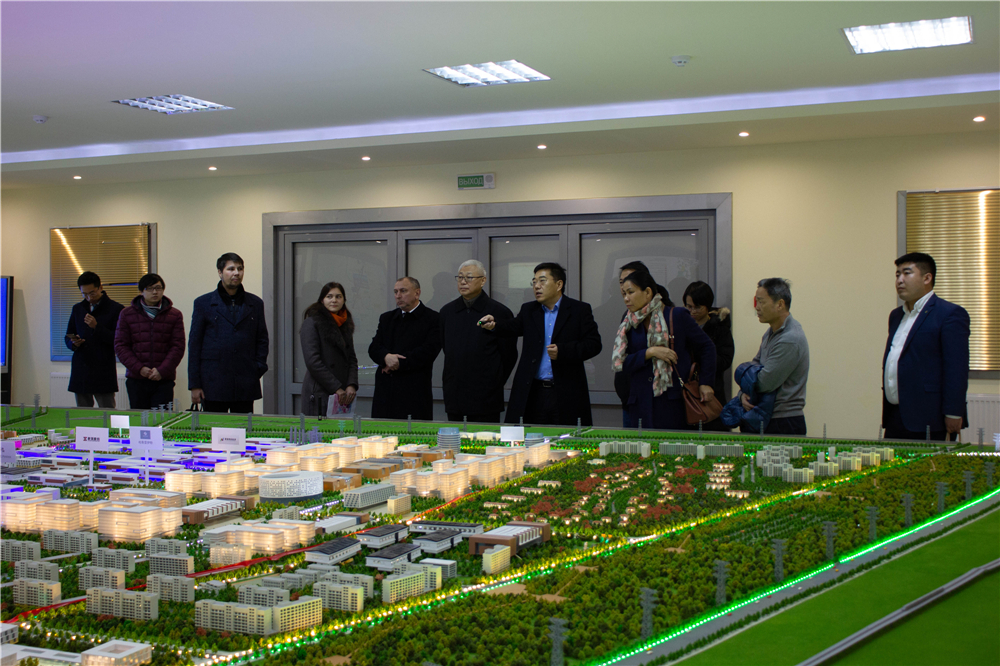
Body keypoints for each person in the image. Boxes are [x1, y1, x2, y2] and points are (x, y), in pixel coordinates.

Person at [480, 262, 602, 426]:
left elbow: (594, 344)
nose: (536, 286)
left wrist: (563, 351)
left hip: (565, 391)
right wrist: (494, 324)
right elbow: (513, 326)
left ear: (559, 284)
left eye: (542, 281)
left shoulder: (579, 310)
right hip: (532, 391)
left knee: (566, 437)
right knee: (530, 437)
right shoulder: (529, 310)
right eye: (534, 282)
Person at [613, 270, 716, 430]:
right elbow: (621, 363)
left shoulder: (676, 316)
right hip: (640, 404)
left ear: (648, 292)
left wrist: (705, 383)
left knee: (674, 445)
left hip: (672, 402)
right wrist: (649, 353)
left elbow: (707, 347)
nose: (626, 298)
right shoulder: (629, 323)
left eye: (631, 292)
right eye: (624, 294)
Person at [882, 252, 969, 441]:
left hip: (930, 417)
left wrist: (954, 412)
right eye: (897, 274)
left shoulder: (949, 314)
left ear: (927, 278)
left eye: (907, 273)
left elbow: (956, 367)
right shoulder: (896, 316)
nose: (900, 280)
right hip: (895, 415)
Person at [189, 252, 269, 413]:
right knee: (214, 426)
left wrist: (258, 367)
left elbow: (262, 339)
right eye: (231, 269)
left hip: (245, 379)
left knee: (244, 426)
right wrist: (195, 384)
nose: (236, 273)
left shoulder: (255, 303)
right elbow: (195, 344)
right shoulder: (203, 303)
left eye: (240, 269)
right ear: (220, 272)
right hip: (213, 382)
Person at [439, 260, 517, 423]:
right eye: (460, 277)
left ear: (483, 281)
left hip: (486, 396)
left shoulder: (499, 312)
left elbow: (509, 355)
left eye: (469, 277)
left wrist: (493, 381)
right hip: (455, 394)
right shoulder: (447, 312)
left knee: (485, 437)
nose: (463, 282)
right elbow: (447, 349)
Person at [739, 278, 810, 435]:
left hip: (783, 421)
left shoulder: (790, 338)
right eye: (756, 301)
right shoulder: (771, 332)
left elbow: (765, 382)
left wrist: (745, 386)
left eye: (761, 302)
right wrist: (742, 395)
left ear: (780, 304)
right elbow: (753, 366)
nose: (757, 307)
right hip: (767, 415)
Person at [369, 277, 441, 420]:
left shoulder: (433, 318)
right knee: (382, 430)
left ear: (417, 293)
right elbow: (374, 347)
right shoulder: (387, 318)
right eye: (395, 292)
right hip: (386, 392)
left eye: (403, 291)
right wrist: (386, 357)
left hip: (414, 391)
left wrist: (397, 363)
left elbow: (428, 351)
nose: (398, 295)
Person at [114, 273, 185, 410]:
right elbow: (120, 345)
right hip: (137, 379)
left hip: (163, 379)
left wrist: (162, 370)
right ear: (142, 291)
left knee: (162, 419)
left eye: (158, 288)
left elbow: (178, 346)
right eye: (150, 288)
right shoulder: (126, 314)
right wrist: (140, 369)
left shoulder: (174, 315)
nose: (155, 292)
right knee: (139, 419)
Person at [299, 282, 359, 417]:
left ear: (344, 300)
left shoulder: (345, 324)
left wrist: (351, 385)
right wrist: (336, 388)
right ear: (322, 300)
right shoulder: (311, 323)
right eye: (329, 296)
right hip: (320, 391)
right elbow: (313, 362)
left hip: (343, 394)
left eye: (338, 296)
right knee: (319, 430)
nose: (334, 300)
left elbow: (351, 359)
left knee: (341, 430)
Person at [65, 271, 124, 408]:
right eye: (84, 294)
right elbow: (68, 334)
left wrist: (96, 327)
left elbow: (118, 339)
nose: (88, 297)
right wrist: (73, 342)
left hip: (103, 368)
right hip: (81, 366)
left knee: (107, 411)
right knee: (83, 413)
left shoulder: (116, 309)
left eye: (92, 293)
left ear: (100, 288)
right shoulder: (78, 308)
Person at [683, 280, 735, 430]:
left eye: (697, 307)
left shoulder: (719, 328)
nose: (692, 311)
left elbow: (725, 359)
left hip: (711, 392)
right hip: (686, 393)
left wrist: (704, 359)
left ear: (707, 306)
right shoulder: (682, 326)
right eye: (689, 307)